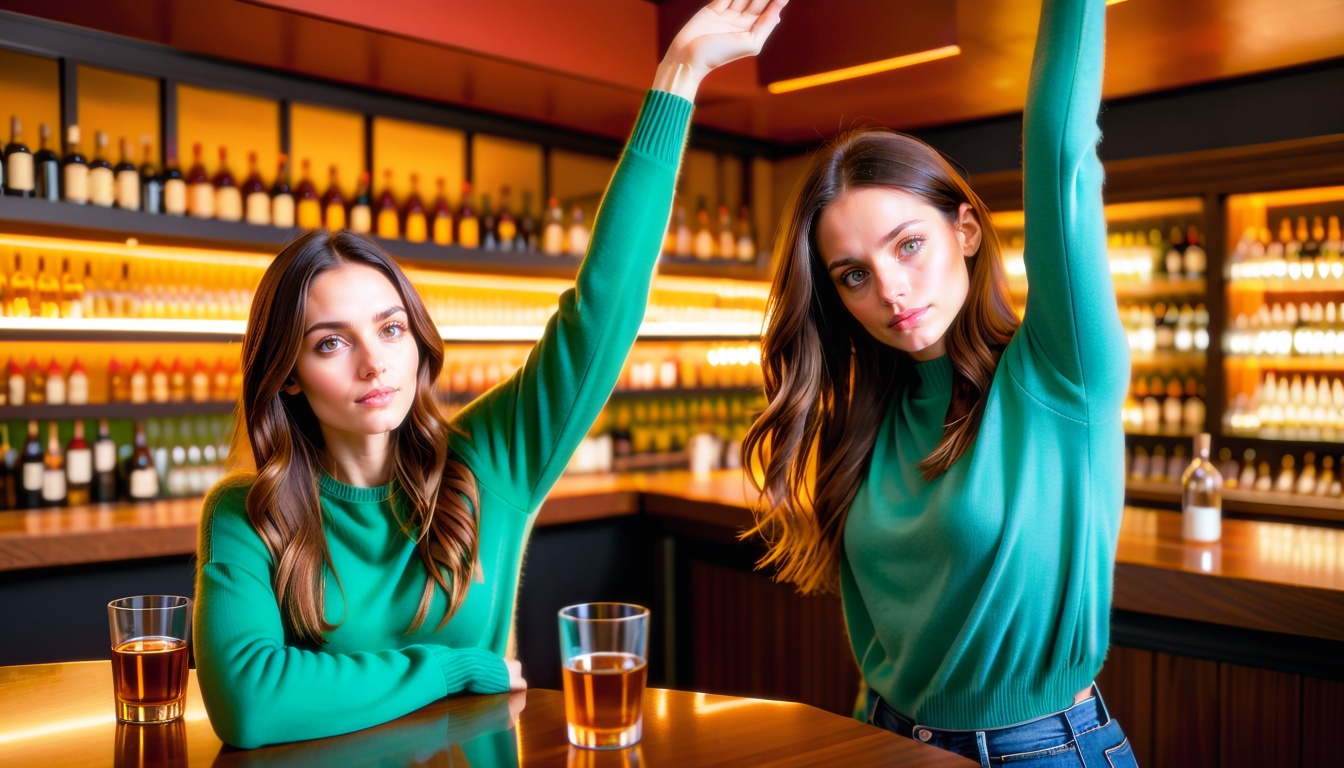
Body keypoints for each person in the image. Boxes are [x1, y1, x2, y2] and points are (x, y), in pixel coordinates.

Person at [193, 0, 785, 749]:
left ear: (416, 341)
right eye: (331, 343)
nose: (376, 362)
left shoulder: (487, 462)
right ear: (287, 375)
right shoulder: (248, 514)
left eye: (390, 328)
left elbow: (601, 310)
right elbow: (252, 704)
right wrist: (446, 670)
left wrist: (679, 76)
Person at [742, 0, 1139, 765]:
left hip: (1040, 751)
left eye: (910, 244)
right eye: (854, 274)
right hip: (886, 738)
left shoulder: (1059, 374)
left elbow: (1062, 154)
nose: (889, 289)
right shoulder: (867, 417)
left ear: (965, 229)